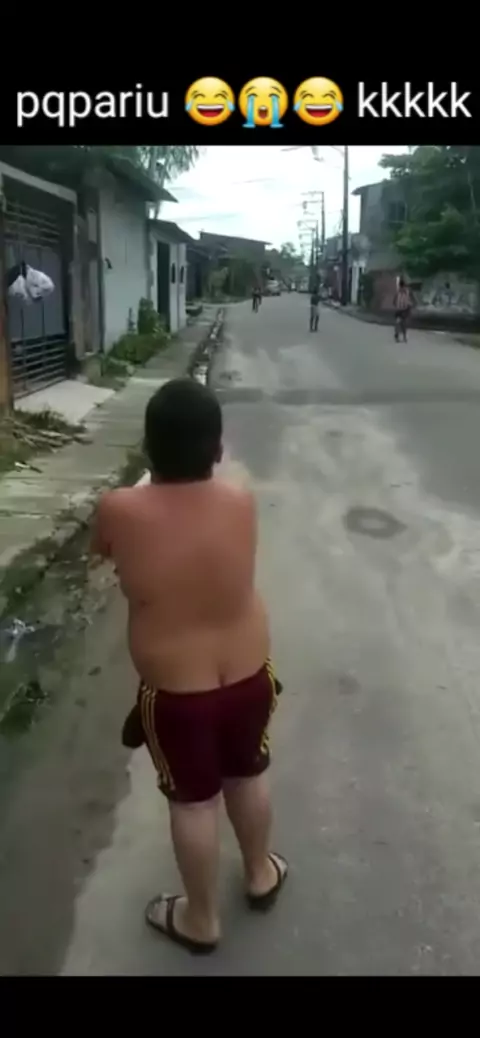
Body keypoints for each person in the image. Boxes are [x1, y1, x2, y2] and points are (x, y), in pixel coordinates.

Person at [90, 378, 287, 954]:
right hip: (250, 678)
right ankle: (260, 873)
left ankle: (200, 920)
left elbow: (102, 552)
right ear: (218, 449)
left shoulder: (119, 508)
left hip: (179, 696)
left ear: (148, 448)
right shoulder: (241, 499)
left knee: (195, 802)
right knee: (247, 775)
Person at [393, 276, 413, 342]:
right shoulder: (398, 292)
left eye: (402, 286)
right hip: (399, 310)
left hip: (404, 310)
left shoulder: (406, 292)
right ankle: (397, 335)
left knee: (403, 323)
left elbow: (410, 300)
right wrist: (396, 305)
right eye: (401, 286)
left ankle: (403, 336)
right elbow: (394, 300)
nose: (402, 288)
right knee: (398, 322)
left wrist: (409, 306)